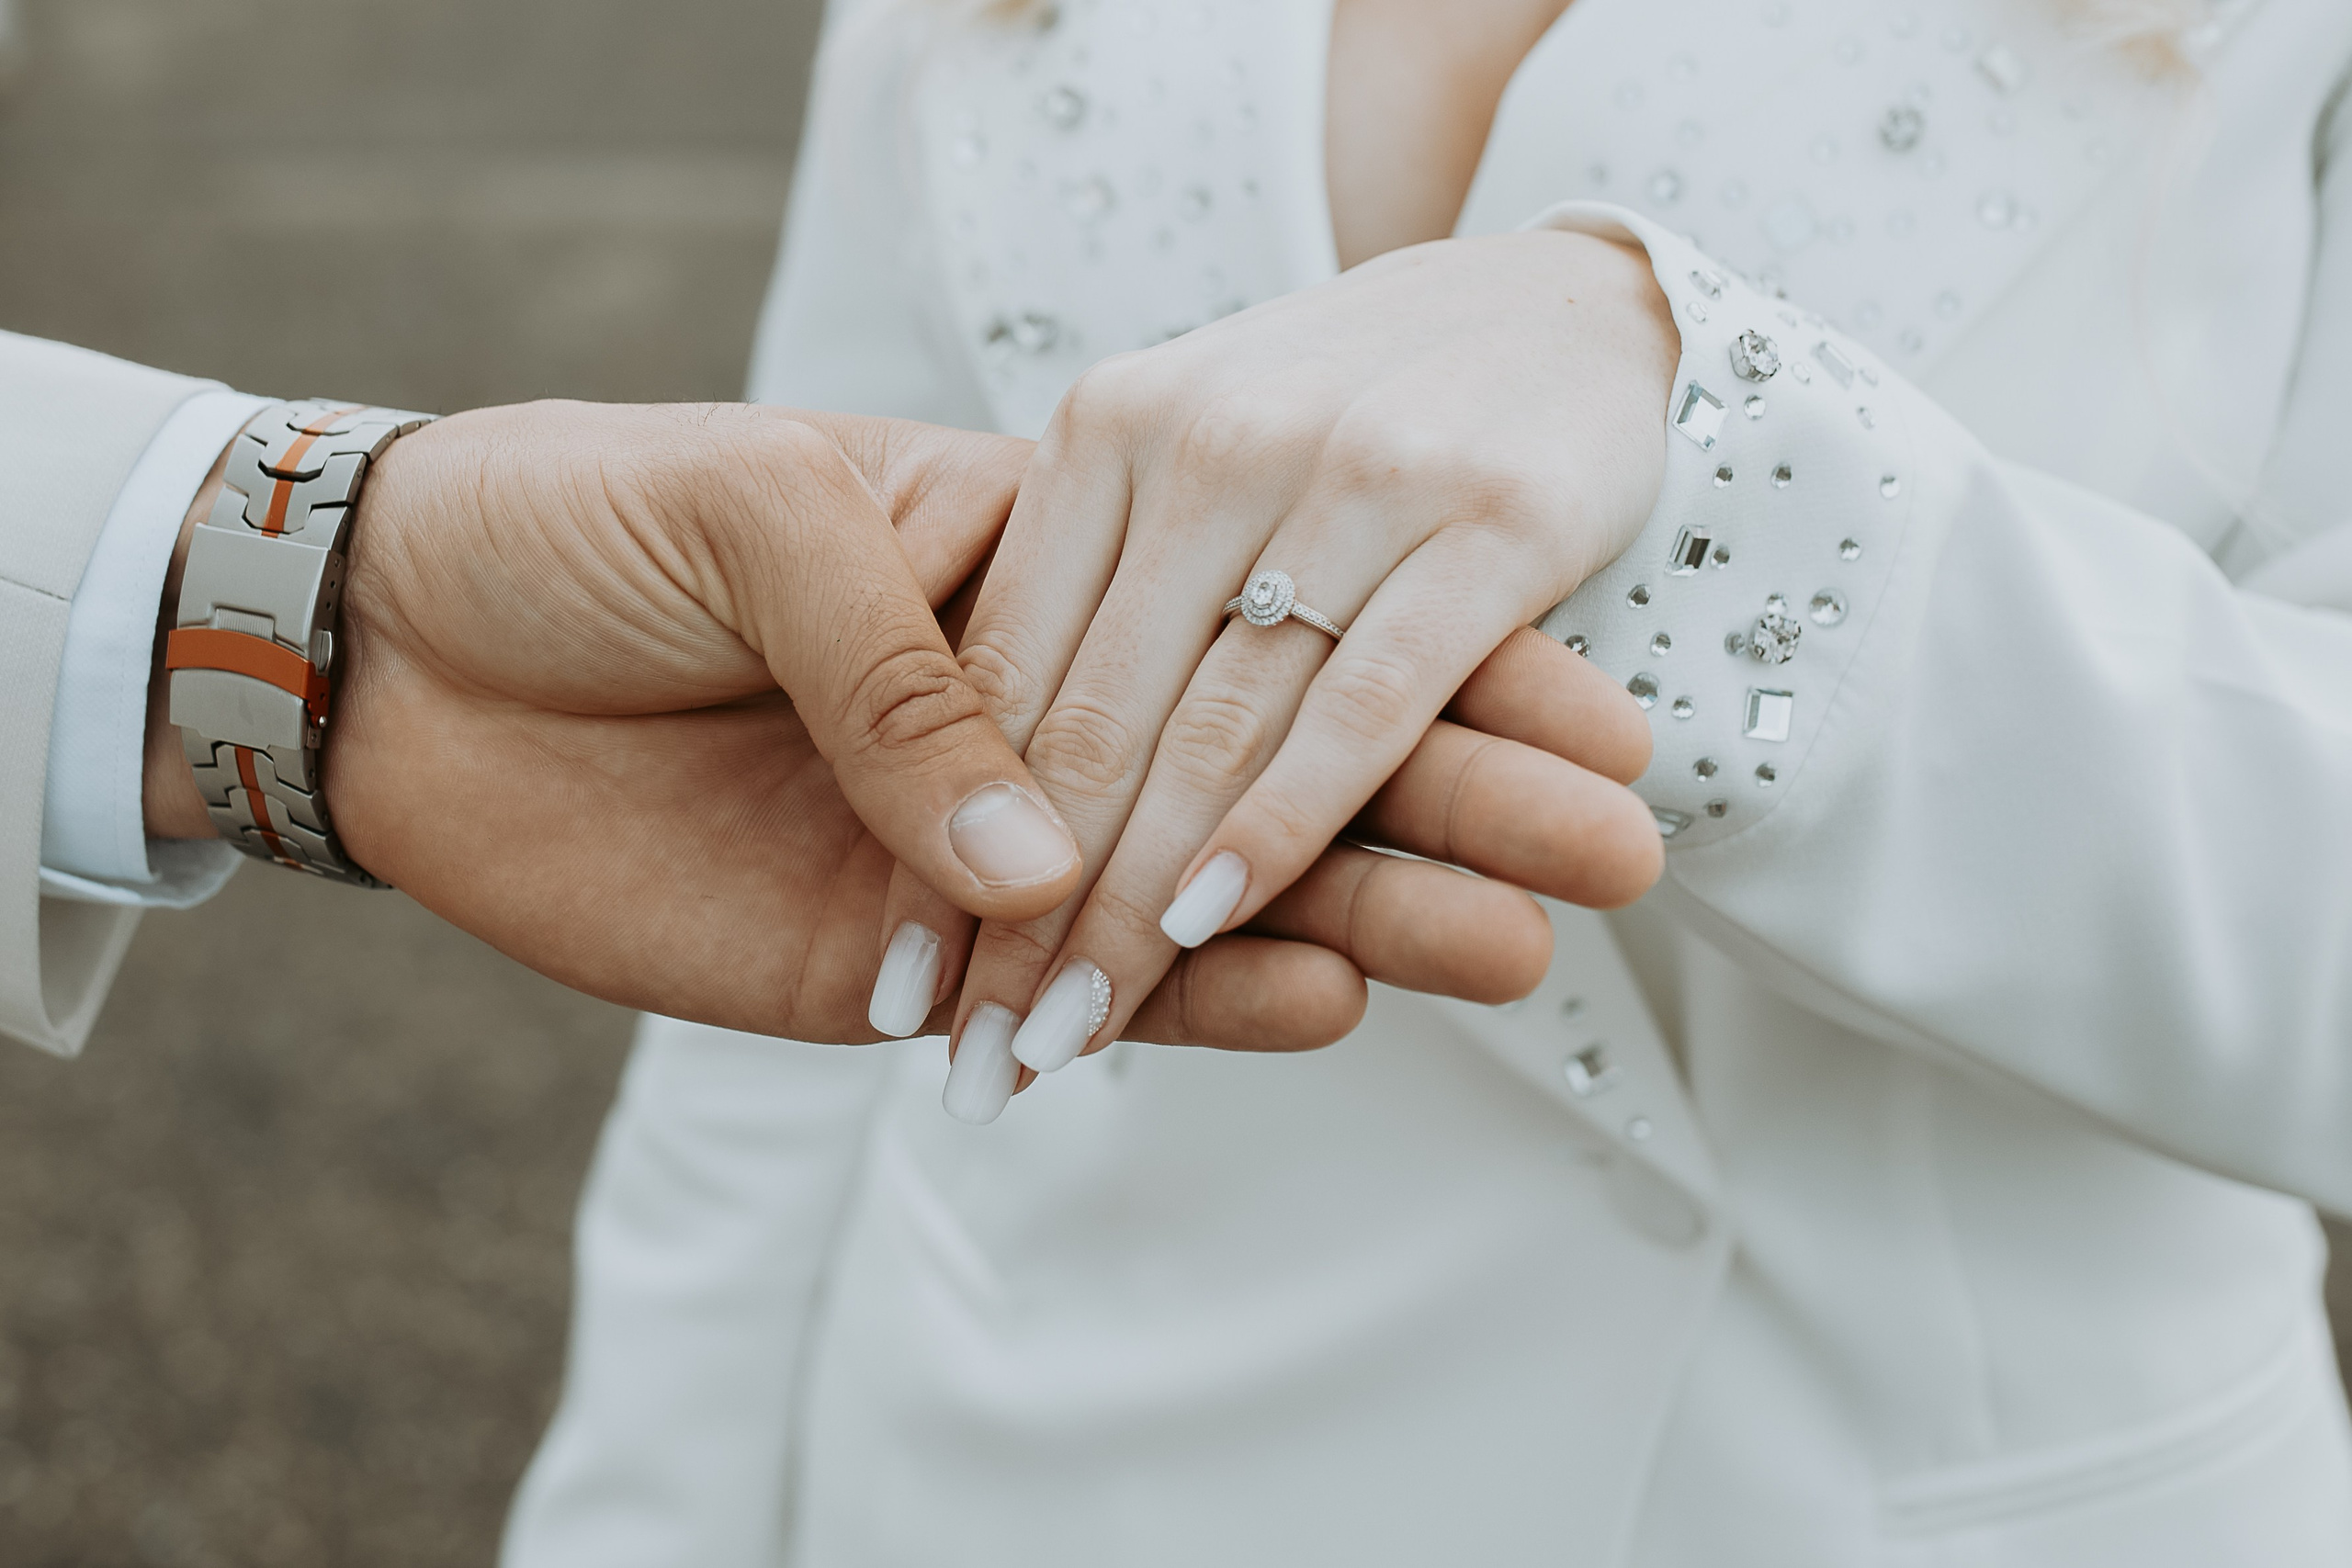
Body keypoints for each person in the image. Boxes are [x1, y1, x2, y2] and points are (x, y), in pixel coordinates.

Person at [503, 0, 2352, 1563]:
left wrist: (1720, 466)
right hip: (1015, 1460)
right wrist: (635, 1514)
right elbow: (801, 812)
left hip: (1866, 1499)